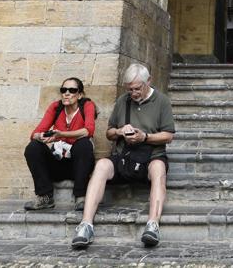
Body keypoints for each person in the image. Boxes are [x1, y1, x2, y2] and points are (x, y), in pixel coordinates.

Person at [71, 63, 175, 250]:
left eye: (137, 88)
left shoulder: (162, 101)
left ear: (148, 81)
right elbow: (109, 133)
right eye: (130, 89)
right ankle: (86, 225)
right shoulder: (122, 101)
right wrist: (120, 131)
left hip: (151, 156)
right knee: (102, 164)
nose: (133, 93)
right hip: (124, 156)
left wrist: (145, 136)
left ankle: (152, 225)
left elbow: (168, 136)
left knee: (159, 168)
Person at [23, 77, 97, 212]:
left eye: (72, 90)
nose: (66, 93)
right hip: (58, 162)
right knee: (33, 147)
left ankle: (80, 196)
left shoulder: (87, 105)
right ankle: (45, 197)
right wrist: (43, 136)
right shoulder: (56, 107)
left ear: (80, 94)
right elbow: (34, 133)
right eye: (63, 90)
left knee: (84, 144)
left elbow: (88, 131)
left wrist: (61, 134)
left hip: (79, 164)